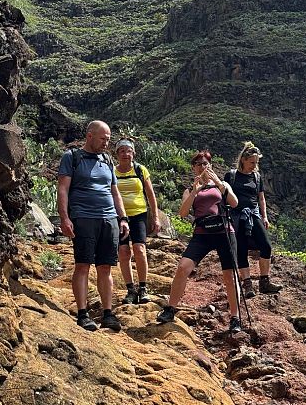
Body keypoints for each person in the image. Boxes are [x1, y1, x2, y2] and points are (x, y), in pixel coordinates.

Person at [156, 150, 242, 333]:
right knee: (183, 267)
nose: (203, 167)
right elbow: (182, 213)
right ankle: (170, 308)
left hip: (224, 231)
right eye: (199, 164)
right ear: (193, 168)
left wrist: (218, 183)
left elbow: (234, 203)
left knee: (230, 275)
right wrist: (194, 192)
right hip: (202, 233)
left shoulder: (223, 184)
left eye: (205, 164)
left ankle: (235, 317)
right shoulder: (189, 189)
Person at [57, 120, 130, 331]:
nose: (106, 143)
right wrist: (64, 218)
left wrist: (122, 218)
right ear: (90, 136)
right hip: (83, 217)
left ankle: (108, 313)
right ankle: (82, 313)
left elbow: (114, 191)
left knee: (106, 266)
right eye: (103, 139)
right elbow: (63, 189)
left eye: (108, 139)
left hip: (109, 219)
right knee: (83, 265)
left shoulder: (107, 160)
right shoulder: (72, 157)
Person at [226, 141, 283, 298]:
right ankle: (247, 284)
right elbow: (224, 197)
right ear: (243, 159)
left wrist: (264, 216)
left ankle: (264, 282)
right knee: (241, 249)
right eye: (252, 162)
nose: (254, 165)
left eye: (256, 162)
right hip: (236, 216)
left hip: (253, 214)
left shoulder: (257, 177)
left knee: (266, 246)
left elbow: (261, 198)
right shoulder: (231, 176)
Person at [113, 138, 160, 304]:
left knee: (139, 249)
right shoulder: (112, 172)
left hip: (139, 214)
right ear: (117, 154)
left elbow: (151, 195)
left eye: (129, 151)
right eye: (122, 151)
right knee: (124, 252)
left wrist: (155, 217)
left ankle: (143, 287)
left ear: (133, 153)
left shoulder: (140, 170)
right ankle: (130, 289)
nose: (126, 154)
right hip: (119, 217)